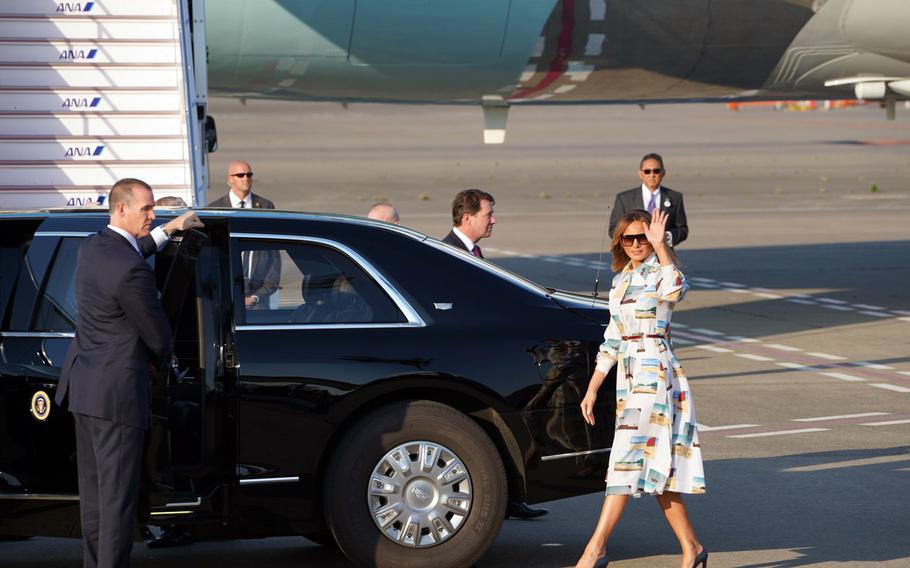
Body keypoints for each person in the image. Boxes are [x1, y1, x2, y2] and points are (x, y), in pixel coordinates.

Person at [55, 178, 203, 568]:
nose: (152, 214)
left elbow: (133, 247)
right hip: (118, 396)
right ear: (122, 209)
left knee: (95, 500)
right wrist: (163, 359)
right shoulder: (132, 272)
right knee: (118, 502)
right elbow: (158, 335)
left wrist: (168, 231)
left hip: (83, 390)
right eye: (147, 209)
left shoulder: (92, 246)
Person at [575, 209, 706, 568]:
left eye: (642, 237)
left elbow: (677, 289)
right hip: (629, 377)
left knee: (624, 460)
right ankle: (692, 548)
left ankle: (595, 549)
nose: (636, 244)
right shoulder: (620, 281)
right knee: (657, 470)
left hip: (657, 374)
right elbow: (613, 339)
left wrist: (662, 246)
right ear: (619, 242)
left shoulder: (660, 272)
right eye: (628, 238)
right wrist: (593, 386)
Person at [207, 160, 279, 309]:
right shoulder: (215, 209)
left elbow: (273, 253)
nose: (246, 178)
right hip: (226, 296)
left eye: (249, 174)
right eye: (240, 175)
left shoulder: (266, 206)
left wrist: (257, 296)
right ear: (230, 180)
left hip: (258, 298)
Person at [608, 153, 688, 248]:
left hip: (663, 255)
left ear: (663, 173)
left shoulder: (675, 197)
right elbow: (613, 230)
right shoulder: (624, 199)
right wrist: (634, 238)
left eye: (656, 171)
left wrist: (666, 236)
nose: (652, 175)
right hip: (634, 254)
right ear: (640, 173)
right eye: (647, 171)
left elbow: (682, 230)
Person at [441, 189, 496, 258]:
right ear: (468, 219)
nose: (494, 221)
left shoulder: (472, 250)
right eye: (488, 215)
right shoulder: (450, 254)